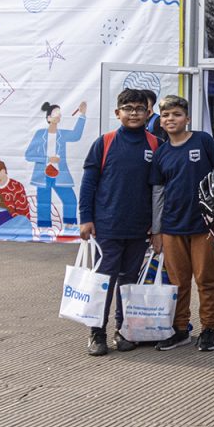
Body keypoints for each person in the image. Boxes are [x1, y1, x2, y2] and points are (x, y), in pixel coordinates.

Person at [78, 89, 159, 357]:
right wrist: (86, 219)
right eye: (128, 108)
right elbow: (89, 184)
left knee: (129, 282)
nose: (134, 113)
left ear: (148, 113)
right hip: (107, 227)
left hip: (139, 229)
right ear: (117, 113)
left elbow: (160, 191)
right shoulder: (105, 143)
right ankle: (96, 333)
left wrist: (155, 227)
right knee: (104, 282)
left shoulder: (156, 145)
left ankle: (123, 331)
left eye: (139, 108)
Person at [148, 95, 214, 353]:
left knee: (206, 279)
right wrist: (156, 229)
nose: (171, 119)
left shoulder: (203, 141)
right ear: (161, 120)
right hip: (171, 227)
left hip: (204, 226)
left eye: (177, 114)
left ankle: (208, 329)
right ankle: (180, 329)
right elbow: (158, 193)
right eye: (166, 115)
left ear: (187, 118)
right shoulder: (161, 153)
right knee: (177, 282)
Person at [25, 100, 87, 231]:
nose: (58, 115)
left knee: (70, 198)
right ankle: (43, 226)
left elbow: (76, 135)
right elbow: (29, 155)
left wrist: (82, 115)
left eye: (59, 113)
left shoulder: (62, 134)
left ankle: (70, 224)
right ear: (48, 118)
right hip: (42, 174)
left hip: (60, 173)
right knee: (43, 201)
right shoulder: (40, 134)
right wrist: (47, 158)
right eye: (55, 113)